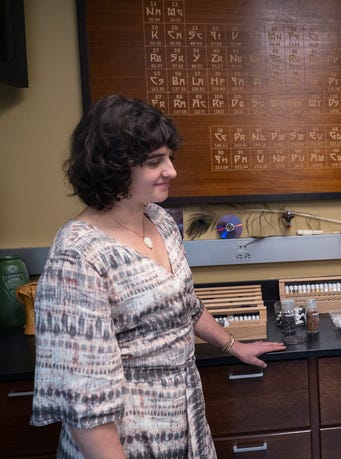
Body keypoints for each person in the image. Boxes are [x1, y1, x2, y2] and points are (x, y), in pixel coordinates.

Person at [29, 94, 286, 458]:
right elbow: (84, 406)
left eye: (170, 158)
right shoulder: (78, 254)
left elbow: (184, 305)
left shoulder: (161, 222)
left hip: (186, 417)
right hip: (126, 435)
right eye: (155, 162)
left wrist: (233, 345)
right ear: (112, 167)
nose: (171, 171)